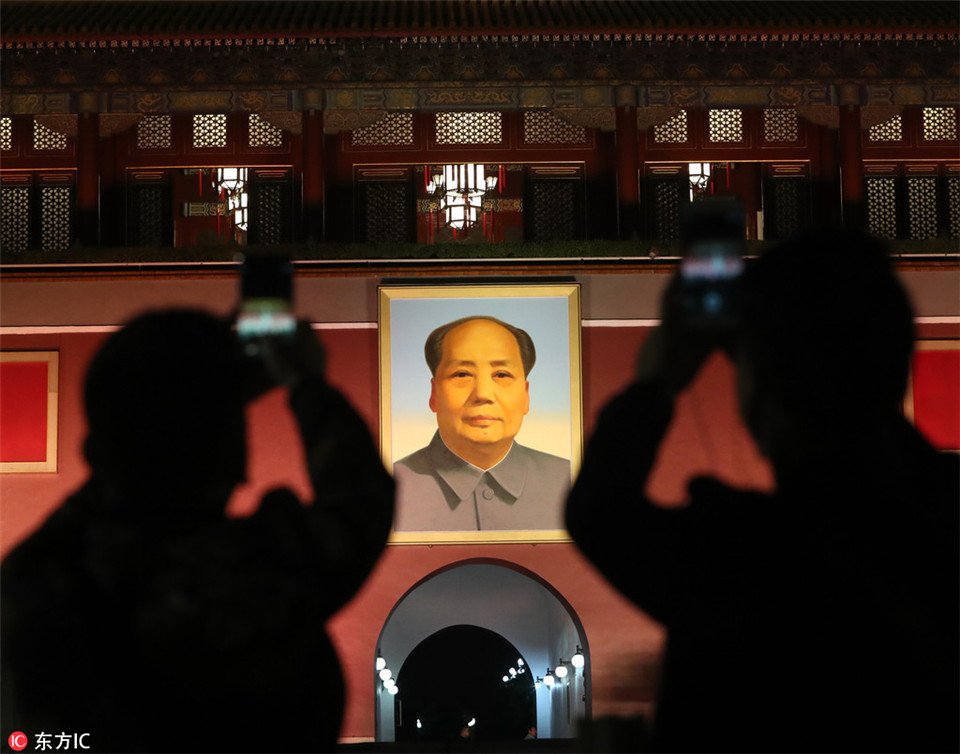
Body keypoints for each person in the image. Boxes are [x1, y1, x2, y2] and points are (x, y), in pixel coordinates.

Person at [566, 230, 959, 753]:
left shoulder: (742, 554)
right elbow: (867, 418)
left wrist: (657, 381)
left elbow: (599, 512)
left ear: (761, 396)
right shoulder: (938, 522)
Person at [0, 310, 395, 753]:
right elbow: (358, 502)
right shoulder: (243, 573)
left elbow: (115, 469)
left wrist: (163, 415)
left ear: (96, 450)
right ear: (231, 454)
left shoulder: (37, 576)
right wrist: (305, 383)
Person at [393, 316, 570, 532]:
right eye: (462, 374)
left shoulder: (570, 481)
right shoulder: (388, 487)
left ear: (525, 395)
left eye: (502, 375)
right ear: (434, 394)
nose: (483, 394)